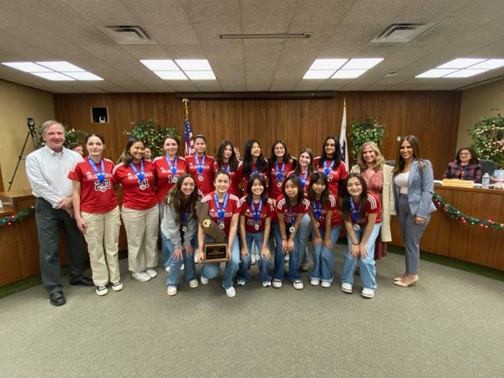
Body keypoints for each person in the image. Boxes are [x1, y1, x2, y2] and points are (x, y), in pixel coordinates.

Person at [25, 120, 92, 306]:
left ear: (64, 136)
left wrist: (72, 201)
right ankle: (53, 288)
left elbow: (84, 181)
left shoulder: (75, 157)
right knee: (49, 249)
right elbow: (39, 185)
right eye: (52, 133)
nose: (56, 137)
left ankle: (77, 275)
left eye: (59, 133)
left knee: (76, 242)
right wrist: (64, 203)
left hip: (73, 204)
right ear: (44, 136)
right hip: (47, 207)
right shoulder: (34, 158)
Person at [69, 133, 122, 296]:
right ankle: (100, 281)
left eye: (98, 143)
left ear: (103, 146)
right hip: (90, 212)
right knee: (95, 248)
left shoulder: (109, 164)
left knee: (112, 246)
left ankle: (115, 278)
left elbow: (115, 186)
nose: (95, 147)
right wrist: (78, 216)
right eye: (91, 144)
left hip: (111, 210)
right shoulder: (80, 166)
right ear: (86, 147)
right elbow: (75, 193)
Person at [113, 137, 159, 283]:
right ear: (128, 150)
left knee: (151, 237)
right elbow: (112, 188)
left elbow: (156, 182)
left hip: (152, 206)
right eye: (136, 148)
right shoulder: (120, 168)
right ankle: (137, 269)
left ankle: (149, 265)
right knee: (136, 240)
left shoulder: (150, 164)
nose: (139, 151)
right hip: (132, 209)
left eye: (141, 148)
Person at [392, 135, 436, 287]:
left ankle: (412, 275)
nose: (405, 150)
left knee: (412, 242)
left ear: (415, 148)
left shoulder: (424, 165)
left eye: (408, 147)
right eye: (402, 147)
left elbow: (428, 191)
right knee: (407, 240)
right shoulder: (400, 166)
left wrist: (421, 213)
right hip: (403, 205)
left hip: (417, 208)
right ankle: (409, 271)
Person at [198, 170, 241, 297]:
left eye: (225, 182)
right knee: (212, 273)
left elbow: (234, 226)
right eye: (220, 181)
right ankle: (205, 273)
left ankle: (227, 283)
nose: (222, 184)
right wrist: (200, 250)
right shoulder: (205, 200)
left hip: (229, 236)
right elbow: (201, 228)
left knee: (234, 261)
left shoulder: (235, 200)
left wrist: (229, 246)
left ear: (229, 183)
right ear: (214, 183)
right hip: (212, 237)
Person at [351, 142, 395, 260]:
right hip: (359, 209)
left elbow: (391, 192)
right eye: (364, 152)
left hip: (379, 210)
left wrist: (390, 211)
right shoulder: (356, 169)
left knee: (374, 239)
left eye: (370, 151)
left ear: (376, 153)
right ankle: (362, 262)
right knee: (358, 237)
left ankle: (370, 263)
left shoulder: (386, 170)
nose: (368, 154)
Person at [340, 173, 382, 299]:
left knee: (365, 255)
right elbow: (347, 222)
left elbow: (371, 223)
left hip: (371, 225)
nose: (354, 187)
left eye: (357, 184)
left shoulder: (372, 198)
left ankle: (369, 285)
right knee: (351, 252)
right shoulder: (344, 200)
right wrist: (354, 242)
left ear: (363, 185)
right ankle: (347, 280)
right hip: (354, 224)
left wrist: (362, 243)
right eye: (350, 185)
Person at [162, 174, 200, 296]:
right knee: (177, 257)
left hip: (186, 231)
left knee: (188, 252)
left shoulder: (196, 198)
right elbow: (170, 224)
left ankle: (190, 276)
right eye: (185, 184)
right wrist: (178, 245)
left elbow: (193, 222)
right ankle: (172, 283)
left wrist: (187, 242)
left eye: (191, 184)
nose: (188, 187)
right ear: (179, 185)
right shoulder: (171, 199)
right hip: (170, 232)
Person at [153, 136, 187, 270]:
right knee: (166, 231)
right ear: (163, 147)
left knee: (181, 228)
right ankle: (168, 261)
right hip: (164, 201)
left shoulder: (183, 161)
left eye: (173, 144)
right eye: (168, 144)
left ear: (178, 146)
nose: (171, 147)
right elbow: (153, 182)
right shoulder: (157, 161)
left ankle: (181, 256)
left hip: (180, 200)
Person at [271, 175, 310, 290]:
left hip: (293, 225)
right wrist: (284, 239)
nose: (290, 189)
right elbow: (281, 222)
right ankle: (278, 275)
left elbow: (298, 221)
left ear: (299, 187)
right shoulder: (281, 200)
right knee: (281, 248)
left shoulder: (305, 201)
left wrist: (291, 239)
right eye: (287, 187)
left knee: (294, 247)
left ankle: (295, 276)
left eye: (293, 186)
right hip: (279, 224)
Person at [236, 174, 274, 287]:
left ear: (264, 186)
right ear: (249, 187)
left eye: (260, 185)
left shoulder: (268, 202)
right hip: (246, 232)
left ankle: (265, 277)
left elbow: (267, 225)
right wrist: (243, 246)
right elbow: (241, 224)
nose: (258, 187)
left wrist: (264, 247)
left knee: (265, 257)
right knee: (244, 257)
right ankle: (242, 276)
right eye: (254, 185)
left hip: (261, 232)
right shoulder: (243, 201)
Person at [306, 172, 341, 288]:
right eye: (316, 183)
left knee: (326, 251)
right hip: (317, 225)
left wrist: (326, 238)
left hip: (332, 225)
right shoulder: (307, 197)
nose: (319, 186)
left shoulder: (331, 198)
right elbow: (311, 216)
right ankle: (316, 273)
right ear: (311, 184)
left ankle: (327, 276)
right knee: (316, 250)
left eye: (322, 184)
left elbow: (328, 220)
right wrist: (317, 236)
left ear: (326, 185)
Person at [288, 148, 315, 271]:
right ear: (299, 159)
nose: (304, 159)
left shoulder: (314, 175)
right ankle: (304, 261)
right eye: (302, 157)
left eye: (307, 157)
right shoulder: (291, 174)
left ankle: (295, 265)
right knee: (295, 235)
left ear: (311, 160)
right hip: (293, 209)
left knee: (301, 238)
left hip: (307, 211)